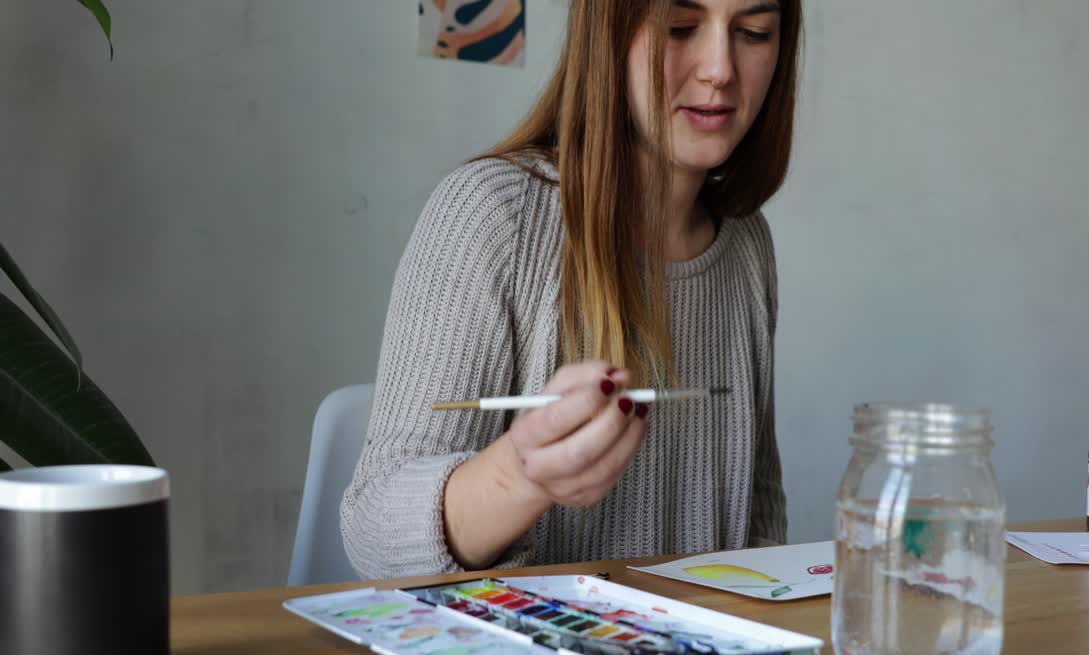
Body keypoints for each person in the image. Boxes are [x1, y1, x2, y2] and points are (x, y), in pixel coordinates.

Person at [341, 0, 802, 578]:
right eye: (678, 28)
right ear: (607, 35)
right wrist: (521, 476)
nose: (720, 70)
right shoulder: (493, 215)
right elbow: (372, 535)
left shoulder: (747, 246)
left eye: (754, 33)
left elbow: (759, 511)